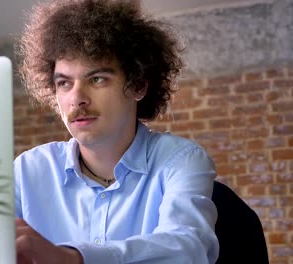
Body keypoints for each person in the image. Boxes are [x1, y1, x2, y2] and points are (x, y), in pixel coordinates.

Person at [14, 0, 219, 263]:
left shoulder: (181, 160)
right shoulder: (26, 171)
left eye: (97, 79)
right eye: (64, 83)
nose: (77, 99)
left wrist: (73, 259)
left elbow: (187, 248)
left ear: (138, 86)